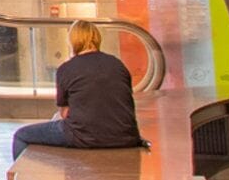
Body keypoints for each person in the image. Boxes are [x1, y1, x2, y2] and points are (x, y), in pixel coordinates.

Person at [12, 24, 142, 155]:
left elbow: (65, 114)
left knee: (21, 136)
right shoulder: (117, 64)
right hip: (126, 137)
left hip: (84, 137)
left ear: (72, 41)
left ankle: (23, 175)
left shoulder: (67, 68)